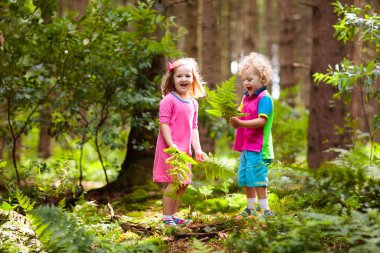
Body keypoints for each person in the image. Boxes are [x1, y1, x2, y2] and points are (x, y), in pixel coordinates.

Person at [153, 57, 206, 227]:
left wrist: (197, 149)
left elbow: (194, 128)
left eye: (187, 76)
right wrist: (171, 145)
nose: (184, 79)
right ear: (172, 79)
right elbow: (164, 124)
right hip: (171, 149)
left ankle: (173, 215)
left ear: (193, 79)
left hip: (185, 151)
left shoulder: (193, 103)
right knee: (175, 181)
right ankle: (166, 218)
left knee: (183, 183)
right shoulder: (168, 100)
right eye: (179, 76)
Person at [230, 52, 274, 218]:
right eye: (244, 79)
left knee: (258, 178)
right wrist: (231, 115)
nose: (246, 82)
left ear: (262, 79)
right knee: (245, 178)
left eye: (250, 79)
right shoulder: (246, 98)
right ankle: (251, 208)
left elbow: (261, 121)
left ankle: (265, 209)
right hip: (246, 146)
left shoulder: (264, 98)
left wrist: (240, 123)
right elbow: (239, 114)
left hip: (259, 147)